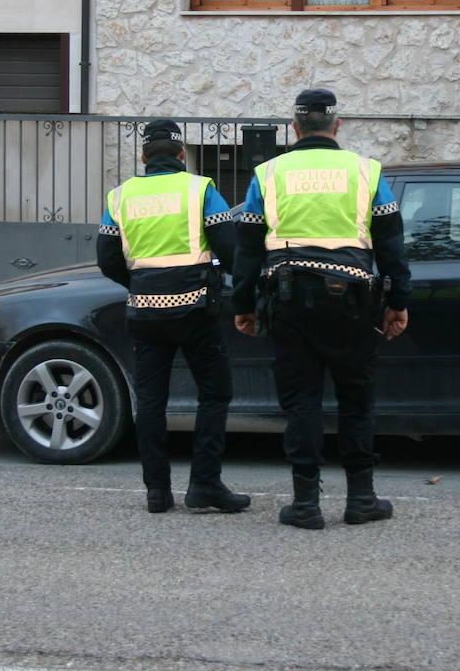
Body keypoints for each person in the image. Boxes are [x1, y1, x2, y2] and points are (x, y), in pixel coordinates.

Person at [232, 89, 411, 529]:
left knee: (303, 403)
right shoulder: (367, 172)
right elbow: (391, 244)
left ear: (294, 128)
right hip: (353, 303)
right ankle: (361, 499)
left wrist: (243, 305)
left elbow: (248, 250)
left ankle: (306, 504)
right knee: (356, 400)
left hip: (290, 302)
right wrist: (398, 303)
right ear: (337, 126)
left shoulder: (268, 173)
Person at [97, 118, 251, 515]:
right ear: (182, 154)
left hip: (146, 311)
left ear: (144, 156)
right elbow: (229, 248)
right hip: (196, 307)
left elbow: (107, 258)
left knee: (150, 402)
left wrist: (138, 283)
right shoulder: (201, 189)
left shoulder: (120, 197)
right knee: (214, 394)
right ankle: (204, 485)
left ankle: (157, 493)